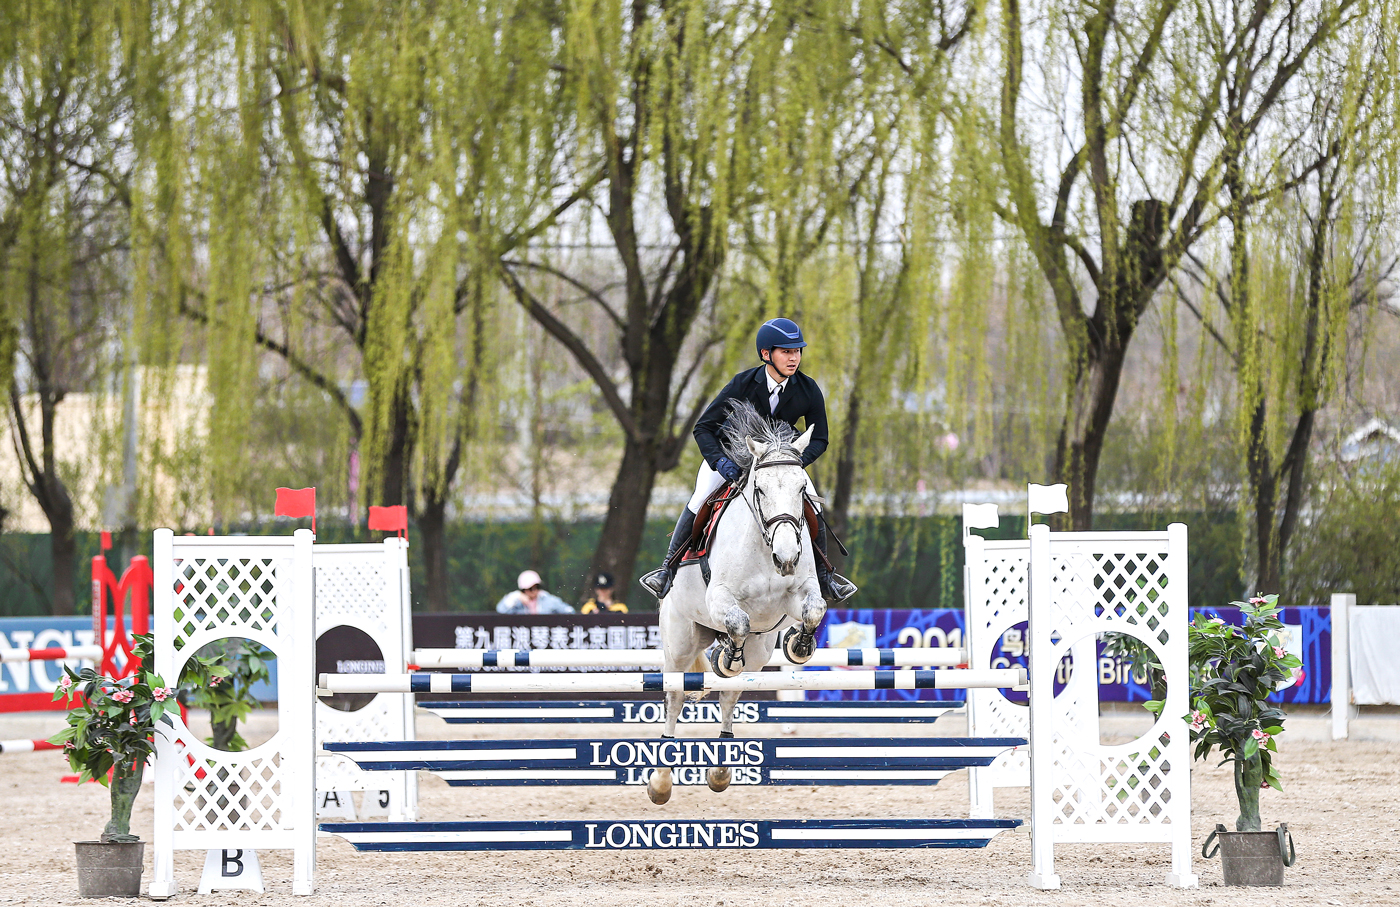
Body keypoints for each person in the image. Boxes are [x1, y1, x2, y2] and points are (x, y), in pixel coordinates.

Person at [640, 317, 856, 602]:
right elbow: (703, 428)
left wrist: (792, 462)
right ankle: (667, 569)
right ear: (766, 354)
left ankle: (825, 578)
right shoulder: (742, 384)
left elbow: (820, 439)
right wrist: (720, 462)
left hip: (782, 464)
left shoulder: (808, 388)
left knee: (813, 505)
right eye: (786, 352)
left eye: (797, 351)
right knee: (701, 497)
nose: (794, 358)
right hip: (731, 457)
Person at [495, 570, 575, 614]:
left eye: (537, 587)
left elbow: (569, 611)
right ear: (523, 590)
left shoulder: (548, 600)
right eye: (530, 588)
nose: (534, 591)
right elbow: (501, 610)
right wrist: (515, 597)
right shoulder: (516, 602)